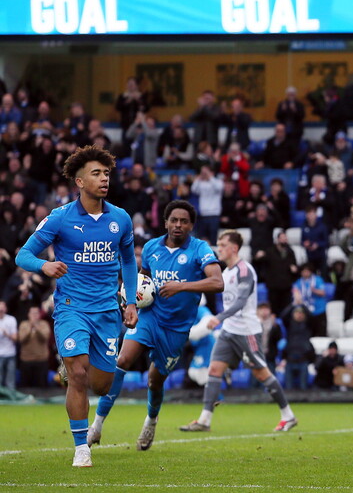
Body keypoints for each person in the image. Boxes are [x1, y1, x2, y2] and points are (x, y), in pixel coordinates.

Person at [15, 145, 139, 468]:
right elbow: (22, 255)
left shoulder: (121, 219)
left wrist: (130, 300)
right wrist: (44, 267)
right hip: (71, 307)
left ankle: (72, 371)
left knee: (101, 384)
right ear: (80, 182)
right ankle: (80, 446)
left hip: (107, 311)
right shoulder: (60, 218)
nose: (104, 179)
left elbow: (128, 260)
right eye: (96, 173)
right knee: (79, 374)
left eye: (107, 173)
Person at [88, 200, 223, 451]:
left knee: (154, 381)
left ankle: (151, 421)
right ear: (165, 223)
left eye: (184, 221)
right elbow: (143, 282)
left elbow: (217, 282)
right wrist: (132, 303)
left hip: (176, 328)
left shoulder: (199, 249)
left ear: (191, 225)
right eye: (174, 220)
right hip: (150, 317)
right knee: (122, 361)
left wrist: (181, 286)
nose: (178, 225)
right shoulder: (151, 248)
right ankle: (96, 425)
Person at [180, 231, 298, 433]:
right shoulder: (225, 273)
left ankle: (288, 416)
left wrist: (219, 317)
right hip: (228, 331)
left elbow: (241, 302)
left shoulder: (245, 270)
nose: (219, 248)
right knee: (214, 370)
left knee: (261, 373)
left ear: (234, 248)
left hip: (247, 331)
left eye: (223, 244)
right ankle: (205, 420)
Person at [17, 305, 51, 387]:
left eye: (36, 313)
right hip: (26, 360)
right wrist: (30, 329)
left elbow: (45, 337)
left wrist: (36, 327)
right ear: (28, 314)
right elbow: (21, 339)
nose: (34, 315)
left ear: (39, 315)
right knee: (26, 387)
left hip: (41, 360)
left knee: (41, 387)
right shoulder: (24, 324)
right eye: (32, 313)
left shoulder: (44, 324)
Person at [190, 165, 223, 245]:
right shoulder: (201, 183)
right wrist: (199, 177)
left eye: (207, 172)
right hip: (203, 216)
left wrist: (209, 176)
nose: (205, 174)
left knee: (213, 240)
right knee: (202, 240)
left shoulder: (218, 182)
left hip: (214, 215)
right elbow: (193, 189)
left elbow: (219, 188)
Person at [0, 300, 16, 389]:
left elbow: (15, 338)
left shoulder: (11, 319)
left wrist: (6, 334)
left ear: (5, 309)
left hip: (10, 354)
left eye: (2, 307)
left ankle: (11, 397)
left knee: (10, 381)